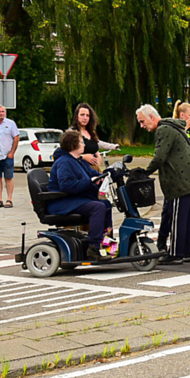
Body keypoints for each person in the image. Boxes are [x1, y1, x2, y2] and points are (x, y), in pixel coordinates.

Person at [136, 104, 190, 264]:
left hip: (181, 181)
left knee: (177, 218)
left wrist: (144, 172)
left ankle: (175, 254)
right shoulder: (171, 126)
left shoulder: (163, 130)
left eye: (142, 121)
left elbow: (160, 157)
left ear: (151, 117)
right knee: (187, 217)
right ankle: (186, 251)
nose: (142, 126)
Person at [47, 130, 113, 261]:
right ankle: (93, 247)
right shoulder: (64, 162)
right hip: (62, 202)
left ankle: (108, 246)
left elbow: (93, 176)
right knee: (97, 207)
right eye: (82, 142)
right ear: (74, 145)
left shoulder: (78, 161)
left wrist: (109, 173)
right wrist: (90, 181)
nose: (84, 145)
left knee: (106, 205)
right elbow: (66, 185)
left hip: (75, 199)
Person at [69, 102, 119, 170]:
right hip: (79, 169)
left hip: (94, 169)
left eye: (87, 115)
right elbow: (67, 155)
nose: (85, 118)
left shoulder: (91, 132)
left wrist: (112, 146)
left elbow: (97, 143)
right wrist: (83, 157)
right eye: (82, 115)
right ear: (76, 116)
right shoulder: (72, 132)